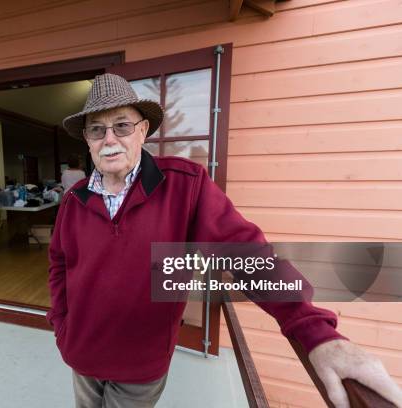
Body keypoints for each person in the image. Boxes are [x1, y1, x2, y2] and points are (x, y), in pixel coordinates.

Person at [47, 73, 402, 408]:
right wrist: (62, 325)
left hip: (141, 364)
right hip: (81, 355)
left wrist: (313, 330)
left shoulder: (185, 185)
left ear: (142, 131)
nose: (109, 139)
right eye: (97, 130)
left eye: (121, 126)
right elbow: (60, 264)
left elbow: (244, 252)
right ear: (88, 141)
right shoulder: (75, 199)